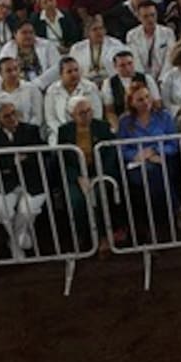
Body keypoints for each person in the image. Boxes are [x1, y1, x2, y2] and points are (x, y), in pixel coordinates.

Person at [0, 95, 48, 259]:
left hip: (32, 181)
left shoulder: (31, 130)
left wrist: (11, 162)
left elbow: (41, 154)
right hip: (5, 183)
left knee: (27, 211)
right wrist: (13, 161)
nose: (12, 118)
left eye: (13, 113)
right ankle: (16, 238)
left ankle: (15, 243)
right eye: (6, 116)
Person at [116, 81, 181, 240]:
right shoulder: (125, 122)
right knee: (151, 173)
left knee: (156, 172)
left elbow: (173, 144)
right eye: (140, 99)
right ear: (131, 102)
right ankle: (173, 211)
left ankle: (156, 223)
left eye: (147, 97)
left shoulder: (164, 116)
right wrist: (138, 155)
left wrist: (154, 151)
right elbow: (122, 148)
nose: (145, 102)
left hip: (163, 160)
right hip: (137, 164)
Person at [56, 96, 117, 253]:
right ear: (72, 115)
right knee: (76, 200)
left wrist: (98, 175)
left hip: (99, 172)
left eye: (89, 111)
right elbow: (63, 158)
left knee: (98, 195)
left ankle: (103, 236)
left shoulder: (102, 127)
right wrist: (77, 177)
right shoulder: (64, 131)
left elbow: (110, 154)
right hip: (77, 175)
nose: (87, 115)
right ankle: (82, 235)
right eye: (81, 113)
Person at [44, 57, 103, 144]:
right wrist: (64, 132)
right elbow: (50, 118)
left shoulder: (90, 87)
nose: (74, 74)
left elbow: (97, 114)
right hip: (59, 131)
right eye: (69, 72)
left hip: (86, 129)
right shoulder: (52, 90)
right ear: (61, 74)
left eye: (76, 70)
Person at [101, 49, 160, 131]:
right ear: (115, 67)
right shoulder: (108, 83)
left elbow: (157, 104)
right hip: (122, 123)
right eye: (122, 65)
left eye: (130, 63)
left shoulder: (147, 79)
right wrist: (118, 127)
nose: (127, 68)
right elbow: (110, 111)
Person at [0, 56, 44, 132]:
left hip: (28, 134)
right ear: (0, 74)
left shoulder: (32, 89)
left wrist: (27, 132)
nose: (14, 73)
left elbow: (37, 117)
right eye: (9, 71)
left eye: (16, 69)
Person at [68, 15, 123, 88]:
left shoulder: (116, 45)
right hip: (85, 84)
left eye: (101, 28)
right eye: (94, 29)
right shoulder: (77, 48)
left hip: (110, 83)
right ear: (87, 32)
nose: (99, 32)